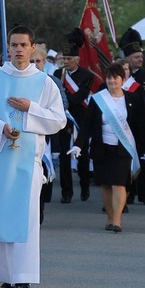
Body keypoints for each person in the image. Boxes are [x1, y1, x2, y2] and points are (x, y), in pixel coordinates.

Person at [0, 24, 66, 288]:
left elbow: (58, 120)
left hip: (28, 163)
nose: (18, 50)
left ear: (33, 47)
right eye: (13, 45)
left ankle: (23, 279)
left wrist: (31, 109)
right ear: (8, 48)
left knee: (25, 219)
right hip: (0, 159)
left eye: (23, 45)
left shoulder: (44, 82)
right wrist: (1, 128)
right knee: (0, 217)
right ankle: (7, 275)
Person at [69, 62, 145, 233]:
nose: (112, 81)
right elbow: (87, 124)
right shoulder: (98, 99)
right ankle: (110, 217)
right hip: (102, 146)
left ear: (122, 79)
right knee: (105, 184)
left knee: (119, 183)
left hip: (123, 148)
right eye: (109, 78)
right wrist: (78, 145)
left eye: (116, 78)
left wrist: (144, 151)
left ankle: (118, 220)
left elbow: (141, 125)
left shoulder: (132, 99)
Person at [118, 28, 145, 207]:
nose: (140, 59)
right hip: (125, 124)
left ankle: (144, 194)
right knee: (127, 159)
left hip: (143, 124)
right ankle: (129, 194)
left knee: (143, 158)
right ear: (127, 59)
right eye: (136, 57)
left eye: (141, 57)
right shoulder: (118, 77)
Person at [54, 28, 94, 203]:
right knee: (64, 156)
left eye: (69, 59)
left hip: (80, 119)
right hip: (63, 119)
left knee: (82, 155)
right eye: (64, 58)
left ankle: (85, 187)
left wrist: (65, 101)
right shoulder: (57, 74)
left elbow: (81, 96)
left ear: (77, 59)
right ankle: (66, 192)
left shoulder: (87, 75)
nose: (66, 61)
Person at [31, 48, 68, 224]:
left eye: (37, 61)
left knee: (44, 175)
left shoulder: (51, 82)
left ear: (44, 62)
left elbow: (62, 106)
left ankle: (41, 209)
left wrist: (36, 112)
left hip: (45, 136)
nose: (34, 65)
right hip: (22, 136)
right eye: (31, 62)